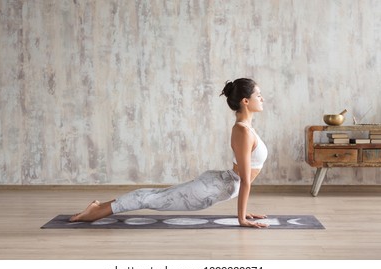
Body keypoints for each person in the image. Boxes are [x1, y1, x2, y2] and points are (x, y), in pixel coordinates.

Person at [70, 78, 269, 228]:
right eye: (258, 95)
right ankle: (96, 212)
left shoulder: (246, 128)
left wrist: (243, 213)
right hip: (211, 188)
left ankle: (99, 207)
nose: (262, 98)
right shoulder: (243, 130)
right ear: (245, 101)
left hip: (217, 185)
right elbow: (245, 179)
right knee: (150, 198)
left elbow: (244, 177)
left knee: (155, 196)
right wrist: (241, 219)